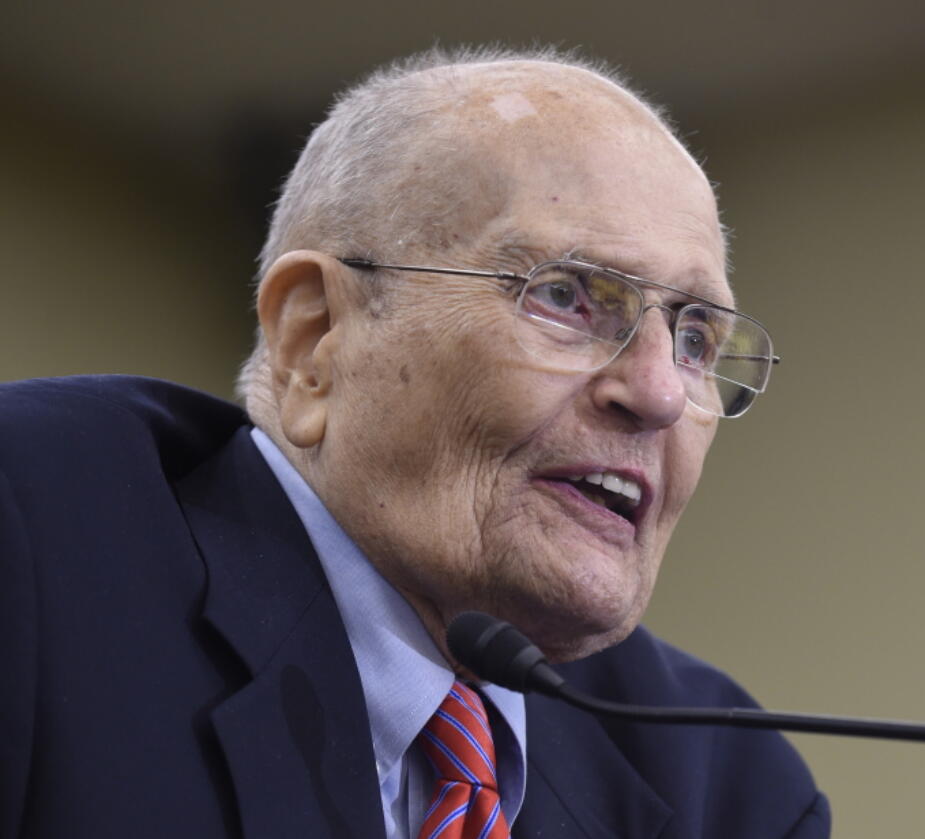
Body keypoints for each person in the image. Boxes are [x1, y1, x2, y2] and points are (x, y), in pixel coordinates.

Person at [0, 48, 830, 838]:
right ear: (314, 337)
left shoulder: (727, 783)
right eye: (568, 296)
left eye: (695, 340)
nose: (655, 392)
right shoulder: (35, 542)